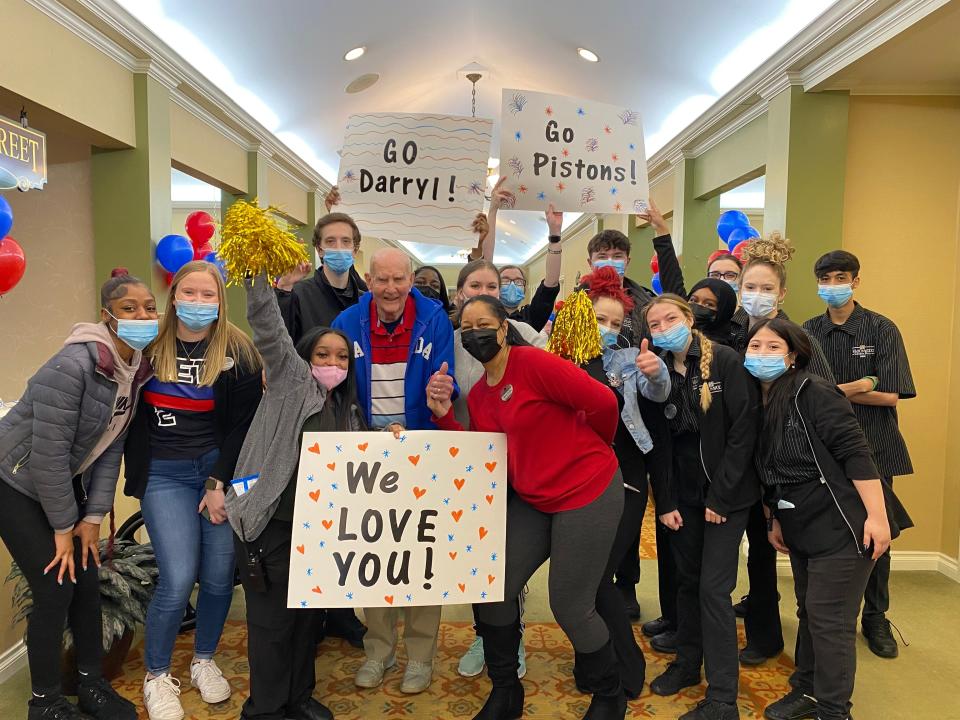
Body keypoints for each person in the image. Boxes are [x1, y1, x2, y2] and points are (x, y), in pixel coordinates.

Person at [428, 295, 627, 720]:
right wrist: (445, 416)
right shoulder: (480, 394)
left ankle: (610, 695)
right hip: (536, 498)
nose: (475, 332)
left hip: (586, 488)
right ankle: (506, 691)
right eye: (466, 327)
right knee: (492, 586)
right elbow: (483, 450)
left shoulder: (534, 364)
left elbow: (605, 404)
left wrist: (591, 449)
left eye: (483, 323)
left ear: (503, 328)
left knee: (571, 605)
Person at [0, 269, 154, 720]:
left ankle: (90, 684)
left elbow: (110, 449)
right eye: (130, 309)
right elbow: (47, 457)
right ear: (107, 317)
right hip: (14, 481)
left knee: (87, 581)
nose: (142, 315)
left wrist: (92, 518)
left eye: (148, 307)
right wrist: (64, 529)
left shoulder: (131, 371)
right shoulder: (71, 367)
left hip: (58, 481)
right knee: (54, 586)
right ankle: (44, 703)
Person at [743, 318, 911, 720]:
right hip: (800, 521)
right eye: (754, 347)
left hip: (845, 520)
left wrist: (876, 517)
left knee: (829, 618)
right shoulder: (759, 399)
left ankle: (834, 710)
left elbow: (856, 452)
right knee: (809, 611)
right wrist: (774, 520)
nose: (761, 354)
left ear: (793, 356)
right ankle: (807, 689)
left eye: (772, 347)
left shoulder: (814, 391)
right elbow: (771, 470)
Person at [123, 261, 263, 720]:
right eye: (190, 292)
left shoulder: (239, 352)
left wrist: (220, 484)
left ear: (221, 302)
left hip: (217, 472)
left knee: (221, 576)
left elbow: (242, 429)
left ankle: (204, 659)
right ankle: (157, 674)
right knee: (180, 575)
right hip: (163, 473)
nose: (198, 303)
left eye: (209, 295)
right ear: (174, 296)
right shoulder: (146, 346)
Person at [225, 273, 368, 720]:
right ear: (304, 357)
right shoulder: (291, 383)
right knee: (272, 626)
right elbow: (267, 325)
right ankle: (265, 709)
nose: (333, 362)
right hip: (272, 525)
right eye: (323, 354)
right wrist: (256, 279)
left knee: (308, 620)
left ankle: (298, 697)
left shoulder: (346, 406)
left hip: (318, 532)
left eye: (342, 356)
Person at [332, 247, 456, 694]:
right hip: (365, 453)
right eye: (381, 279)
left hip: (421, 449)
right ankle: (379, 651)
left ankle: (420, 656)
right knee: (374, 555)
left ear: (411, 279)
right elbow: (333, 383)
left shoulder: (434, 318)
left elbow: (447, 378)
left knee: (421, 555)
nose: (390, 288)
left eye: (398, 279)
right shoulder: (346, 324)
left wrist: (444, 388)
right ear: (368, 279)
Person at [643, 294, 759, 720]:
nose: (663, 327)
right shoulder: (652, 370)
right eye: (655, 324)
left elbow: (744, 430)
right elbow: (655, 441)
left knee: (713, 590)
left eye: (670, 318)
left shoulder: (725, 360)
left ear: (689, 319)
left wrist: (721, 497)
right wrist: (666, 500)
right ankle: (688, 665)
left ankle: (723, 696)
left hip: (726, 495)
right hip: (681, 495)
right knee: (687, 583)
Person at [803, 250, 916, 659]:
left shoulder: (881, 329)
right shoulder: (808, 330)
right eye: (826, 277)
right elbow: (800, 388)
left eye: (841, 277)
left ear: (856, 280)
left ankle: (876, 617)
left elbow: (890, 394)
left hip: (875, 446)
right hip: (823, 451)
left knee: (877, 536)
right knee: (833, 535)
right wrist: (859, 385)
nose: (833, 284)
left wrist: (836, 390)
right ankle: (835, 617)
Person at [567, 266, 672, 699]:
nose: (608, 329)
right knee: (578, 581)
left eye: (615, 322)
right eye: (599, 319)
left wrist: (655, 371)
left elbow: (658, 393)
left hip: (624, 480)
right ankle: (591, 661)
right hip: (574, 484)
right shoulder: (560, 360)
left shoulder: (628, 360)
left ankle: (626, 663)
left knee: (598, 577)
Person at [449, 258, 546, 680]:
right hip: (466, 461)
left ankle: (514, 635)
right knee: (474, 555)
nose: (484, 291)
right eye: (475, 285)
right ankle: (484, 635)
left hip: (516, 463)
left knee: (509, 560)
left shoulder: (522, 335)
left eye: (493, 284)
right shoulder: (450, 339)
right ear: (460, 294)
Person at [275, 188, 369, 345]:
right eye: (330, 241)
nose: (339, 248)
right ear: (319, 249)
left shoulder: (365, 300)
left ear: (355, 250)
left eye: (345, 241)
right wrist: (283, 288)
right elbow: (279, 344)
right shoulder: (299, 295)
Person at [483, 177, 563, 331]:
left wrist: (555, 234)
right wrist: (492, 211)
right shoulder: (484, 312)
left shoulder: (531, 317)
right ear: (495, 285)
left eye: (518, 281)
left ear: (525, 289)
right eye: (506, 280)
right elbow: (485, 264)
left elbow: (551, 284)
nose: (513, 285)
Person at [585, 227, 656, 346]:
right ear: (590, 262)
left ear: (627, 261)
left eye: (617, 256)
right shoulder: (576, 303)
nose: (610, 262)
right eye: (602, 256)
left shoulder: (646, 304)